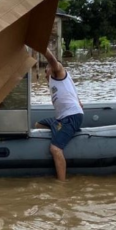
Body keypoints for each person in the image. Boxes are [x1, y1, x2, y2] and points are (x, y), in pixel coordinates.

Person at [34, 48, 84, 181]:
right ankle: (60, 133)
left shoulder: (59, 73)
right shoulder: (58, 83)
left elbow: (52, 59)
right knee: (38, 124)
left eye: (47, 70)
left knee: (55, 149)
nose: (45, 74)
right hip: (61, 119)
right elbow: (79, 102)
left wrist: (42, 47)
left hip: (71, 116)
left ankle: (62, 184)